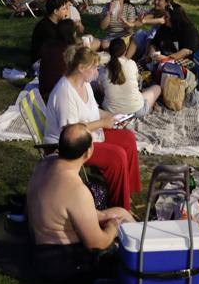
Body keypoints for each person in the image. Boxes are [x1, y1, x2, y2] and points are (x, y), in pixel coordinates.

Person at [27, 123, 136, 283]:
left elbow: (66, 210)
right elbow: (97, 244)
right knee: (120, 250)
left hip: (39, 245)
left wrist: (112, 215)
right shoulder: (76, 190)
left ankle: (146, 243)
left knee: (120, 212)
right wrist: (113, 228)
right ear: (88, 152)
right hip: (61, 260)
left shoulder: (45, 164)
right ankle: (149, 256)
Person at [43, 47, 142, 210]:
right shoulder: (65, 93)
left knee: (128, 137)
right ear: (81, 68)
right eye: (94, 68)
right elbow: (71, 131)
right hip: (68, 146)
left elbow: (94, 110)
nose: (97, 71)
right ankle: (119, 207)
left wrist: (112, 116)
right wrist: (103, 124)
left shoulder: (84, 83)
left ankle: (127, 192)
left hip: (86, 135)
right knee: (116, 156)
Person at [100, 38, 161, 119]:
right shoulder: (131, 64)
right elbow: (137, 84)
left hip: (111, 112)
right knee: (157, 88)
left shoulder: (103, 70)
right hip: (136, 110)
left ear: (109, 51)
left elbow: (102, 90)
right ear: (125, 51)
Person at [38, 19, 80, 100]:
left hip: (44, 89)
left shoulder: (47, 45)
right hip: (59, 92)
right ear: (73, 34)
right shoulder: (70, 50)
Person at [30, 0, 70, 65]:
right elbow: (63, 47)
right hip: (42, 62)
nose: (66, 12)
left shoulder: (57, 23)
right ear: (55, 11)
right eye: (64, 9)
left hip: (54, 56)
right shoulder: (45, 27)